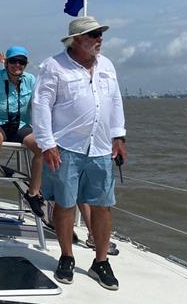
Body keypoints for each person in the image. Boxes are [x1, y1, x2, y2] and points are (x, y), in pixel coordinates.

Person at [32, 16, 127, 290]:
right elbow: (41, 105)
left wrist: (118, 136)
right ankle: (66, 256)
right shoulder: (54, 66)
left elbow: (116, 101)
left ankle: (100, 261)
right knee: (65, 204)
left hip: (100, 147)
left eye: (100, 34)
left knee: (102, 204)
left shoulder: (107, 65)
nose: (100, 38)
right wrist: (47, 143)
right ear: (75, 40)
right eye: (94, 34)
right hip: (66, 146)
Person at [0, 46, 44, 216]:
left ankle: (33, 193)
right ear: (6, 63)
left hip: (19, 124)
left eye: (22, 62)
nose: (17, 65)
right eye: (13, 61)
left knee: (42, 146)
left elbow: (41, 106)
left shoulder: (31, 80)